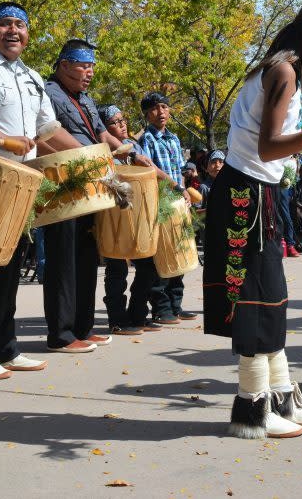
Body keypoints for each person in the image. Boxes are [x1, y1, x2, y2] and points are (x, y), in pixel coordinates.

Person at [203, 0, 302, 439]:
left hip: (258, 191)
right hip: (244, 193)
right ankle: (251, 409)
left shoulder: (288, 70)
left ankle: (281, 398)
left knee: (272, 295)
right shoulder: (283, 71)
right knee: (255, 298)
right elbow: (267, 148)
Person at [0, 2, 83, 380]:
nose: (13, 31)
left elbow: (47, 129)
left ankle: (7, 347)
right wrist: (0, 138)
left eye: (20, 25)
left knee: (12, 265)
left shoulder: (30, 77)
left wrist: (92, 156)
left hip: (26, 180)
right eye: (5, 24)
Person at [41, 39, 121, 354]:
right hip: (63, 182)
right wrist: (91, 155)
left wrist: (124, 149)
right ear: (63, 64)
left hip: (93, 180)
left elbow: (101, 133)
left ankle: (83, 327)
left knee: (87, 254)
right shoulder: (49, 93)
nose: (88, 72)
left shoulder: (86, 99)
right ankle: (61, 333)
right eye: (83, 65)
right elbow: (43, 134)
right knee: (64, 257)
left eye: (92, 67)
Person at [97, 104, 162, 336]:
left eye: (123, 119)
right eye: (115, 122)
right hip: (114, 217)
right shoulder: (103, 151)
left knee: (148, 267)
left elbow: (150, 173)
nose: (122, 124)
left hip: (138, 217)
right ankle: (117, 319)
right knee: (117, 270)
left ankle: (138, 314)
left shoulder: (134, 146)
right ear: (104, 128)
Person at [139, 92, 197, 323]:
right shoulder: (147, 139)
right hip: (160, 202)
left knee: (179, 253)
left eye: (164, 107)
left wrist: (184, 189)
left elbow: (179, 170)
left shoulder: (174, 138)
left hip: (178, 202)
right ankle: (161, 308)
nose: (160, 112)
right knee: (161, 257)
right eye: (154, 108)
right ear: (146, 114)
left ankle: (176, 304)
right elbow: (149, 169)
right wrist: (176, 186)